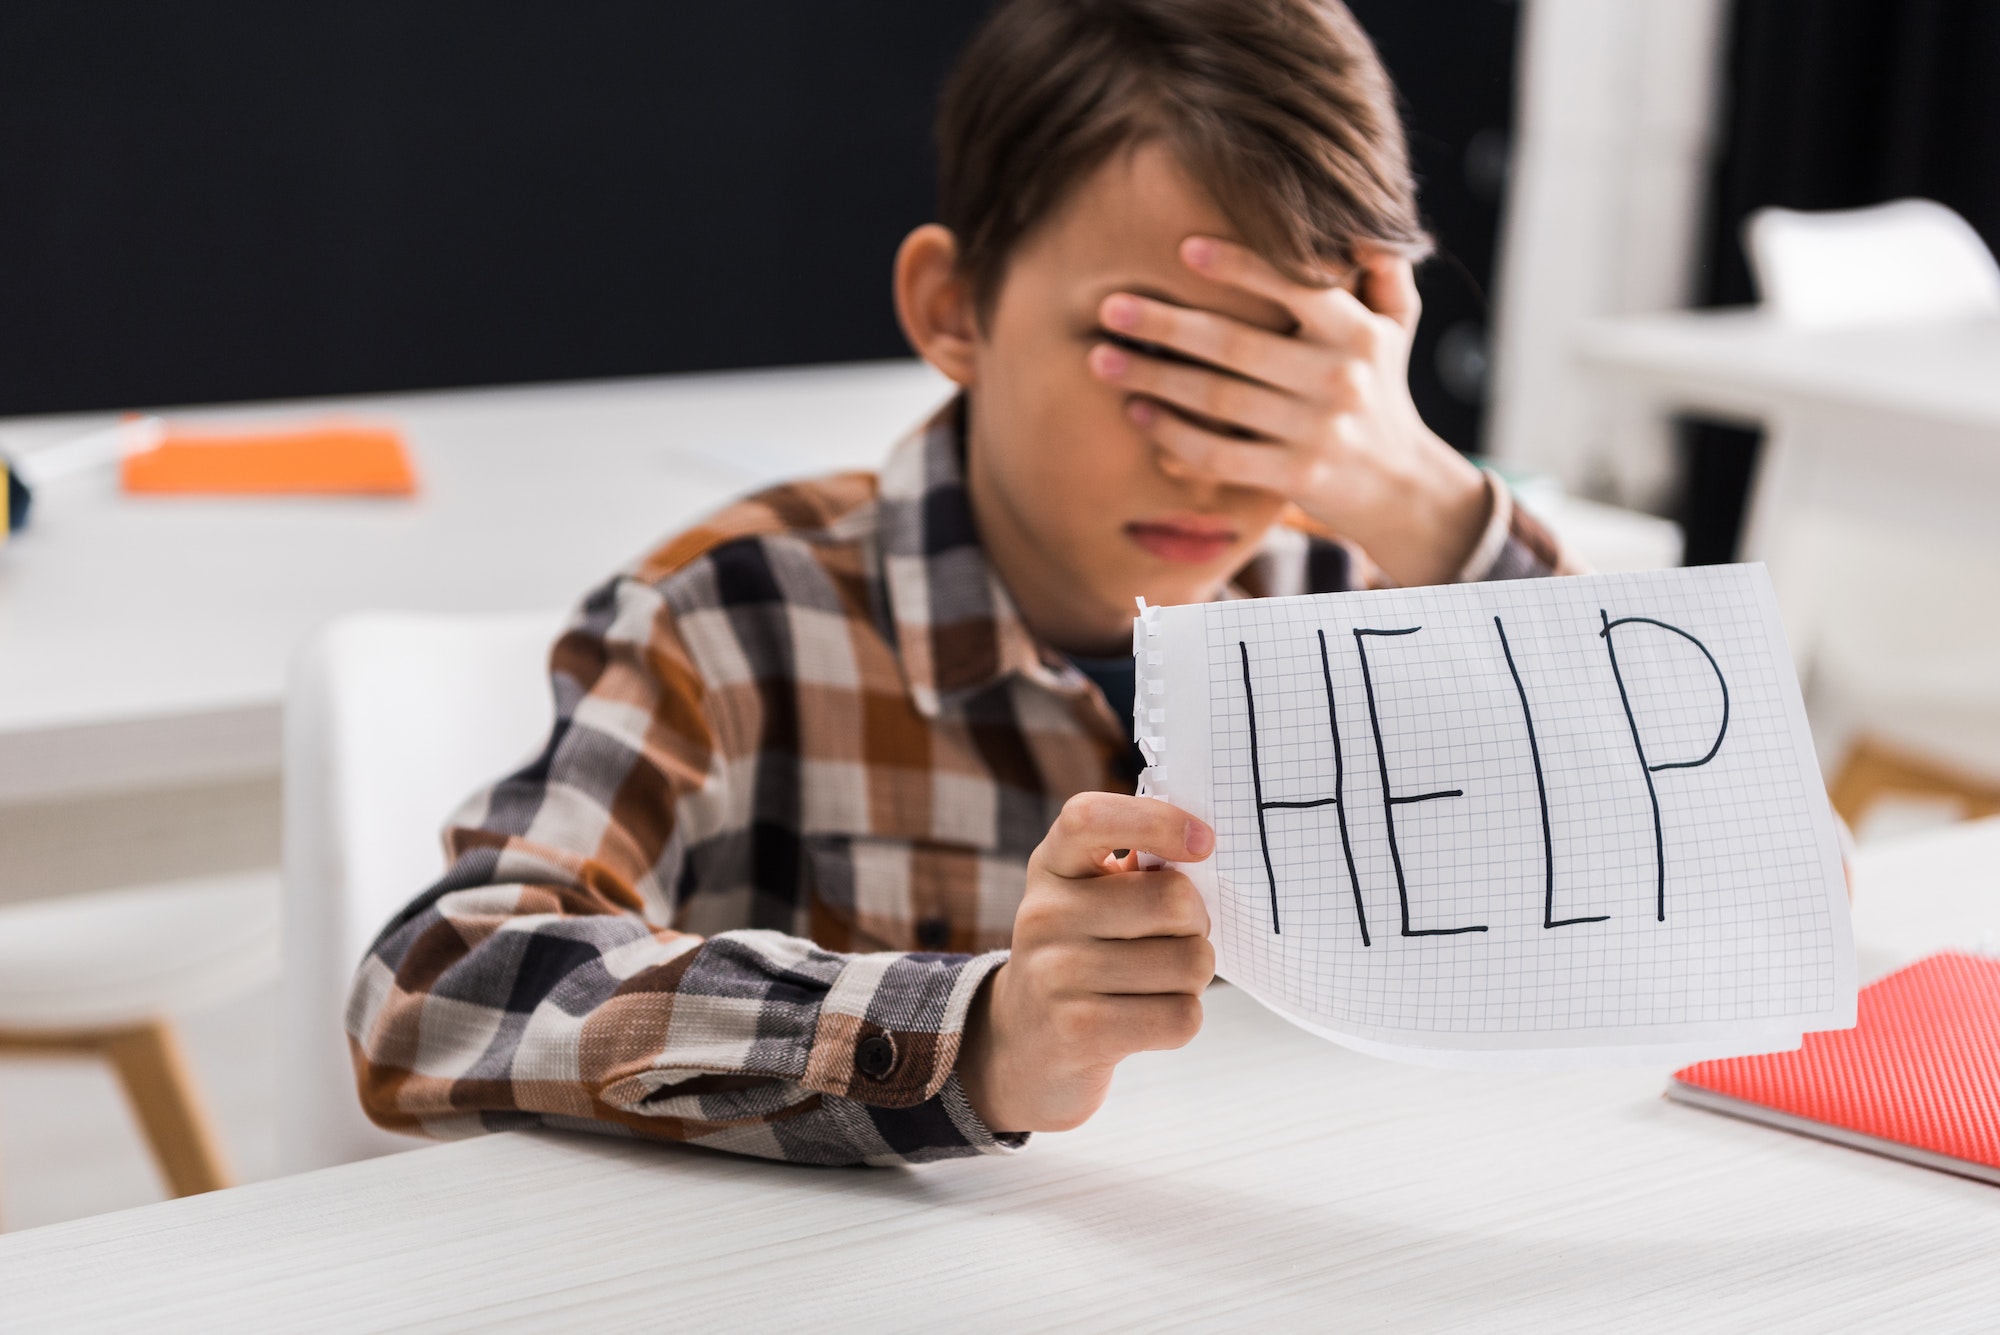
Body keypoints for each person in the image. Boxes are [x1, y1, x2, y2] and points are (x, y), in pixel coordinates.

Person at [346, 0, 1576, 1165]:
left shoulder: (1361, 597)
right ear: (954, 309)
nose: (1198, 452)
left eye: (1280, 371)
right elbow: (434, 987)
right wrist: (979, 1036)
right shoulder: (735, 618)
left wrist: (1426, 497)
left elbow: (1631, 912)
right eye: (1146, 352)